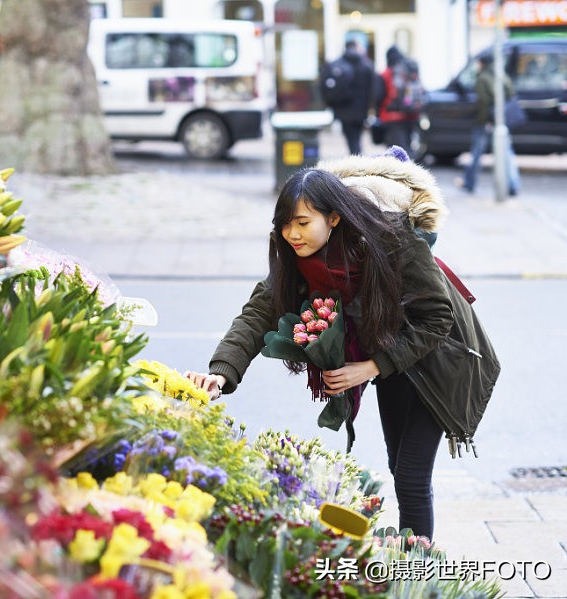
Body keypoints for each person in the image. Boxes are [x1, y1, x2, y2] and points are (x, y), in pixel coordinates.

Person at [184, 152, 498, 541]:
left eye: (303, 223)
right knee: (399, 468)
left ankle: (417, 567)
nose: (293, 234)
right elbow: (257, 314)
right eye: (285, 224)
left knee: (412, 476)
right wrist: (220, 373)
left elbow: (438, 317)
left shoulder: (390, 240)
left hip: (439, 358)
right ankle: (411, 559)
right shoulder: (296, 258)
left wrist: (370, 367)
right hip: (392, 357)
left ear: (333, 218)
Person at [456, 54, 521, 196]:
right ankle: (513, 185)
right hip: (502, 121)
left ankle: (469, 182)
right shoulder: (501, 74)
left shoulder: (483, 77)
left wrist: (486, 121)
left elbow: (483, 102)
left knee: (476, 153)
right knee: (507, 153)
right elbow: (511, 93)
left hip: (486, 121)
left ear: (482, 63)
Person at [328, 39, 377, 156]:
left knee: (351, 139)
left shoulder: (337, 64)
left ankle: (356, 157)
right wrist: (371, 107)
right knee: (356, 138)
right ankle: (357, 156)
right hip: (361, 111)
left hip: (343, 110)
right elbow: (373, 89)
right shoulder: (366, 65)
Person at [377, 46, 422, 158]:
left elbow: (378, 96)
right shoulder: (409, 69)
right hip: (410, 116)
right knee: (407, 148)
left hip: (392, 118)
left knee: (395, 153)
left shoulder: (386, 73)